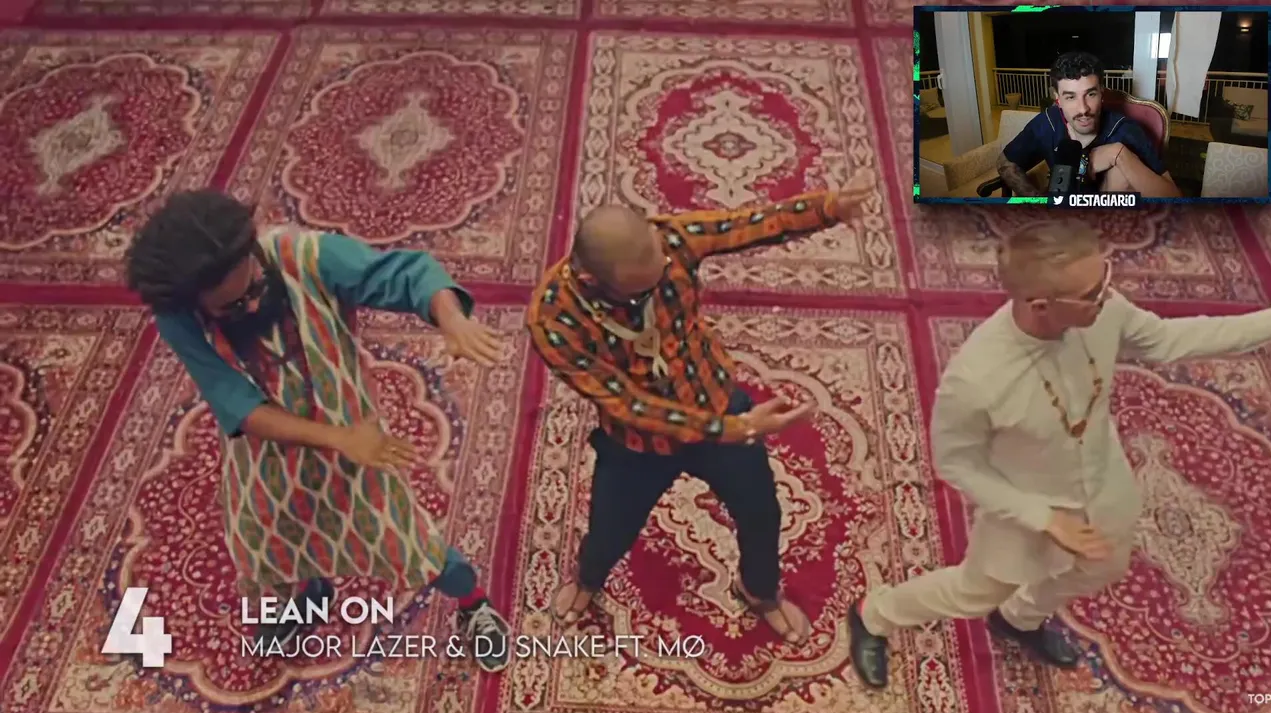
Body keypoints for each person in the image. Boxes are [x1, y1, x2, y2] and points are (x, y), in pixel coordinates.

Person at [847, 220, 1271, 687]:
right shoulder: (976, 379)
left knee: (1105, 565)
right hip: (1024, 508)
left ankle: (1018, 619)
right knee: (976, 592)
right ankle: (874, 615)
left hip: (1104, 483)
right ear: (1041, 305)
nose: (1108, 295)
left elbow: (1168, 339)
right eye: (1092, 293)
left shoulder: (1105, 309)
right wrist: (1044, 518)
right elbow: (957, 463)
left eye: (1105, 277)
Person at [125, 190, 512, 672]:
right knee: (268, 536)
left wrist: (450, 317)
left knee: (406, 539)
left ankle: (474, 603)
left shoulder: (305, 255)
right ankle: (309, 594)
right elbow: (238, 404)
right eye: (231, 307)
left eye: (254, 287)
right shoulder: (177, 314)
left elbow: (405, 273)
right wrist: (337, 440)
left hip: (353, 432)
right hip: (268, 449)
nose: (251, 307)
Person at [526, 169, 877, 645]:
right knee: (609, 530)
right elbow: (627, 404)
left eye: (661, 264)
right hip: (639, 442)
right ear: (593, 280)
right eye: (642, 287)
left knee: (761, 514)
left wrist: (827, 208)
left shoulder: (670, 241)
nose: (662, 274)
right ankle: (589, 579)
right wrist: (733, 429)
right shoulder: (554, 319)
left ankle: (759, 590)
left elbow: (747, 224)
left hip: (713, 397)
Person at [996, 51, 1181, 197]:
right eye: (1070, 97)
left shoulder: (1126, 131)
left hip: (1112, 223)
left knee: (1119, 174)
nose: (1083, 109)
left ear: (1102, 93)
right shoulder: (1048, 123)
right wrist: (1036, 200)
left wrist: (1119, 154)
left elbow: (1174, 199)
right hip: (1063, 222)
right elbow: (1005, 162)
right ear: (1057, 99)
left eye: (1091, 94)